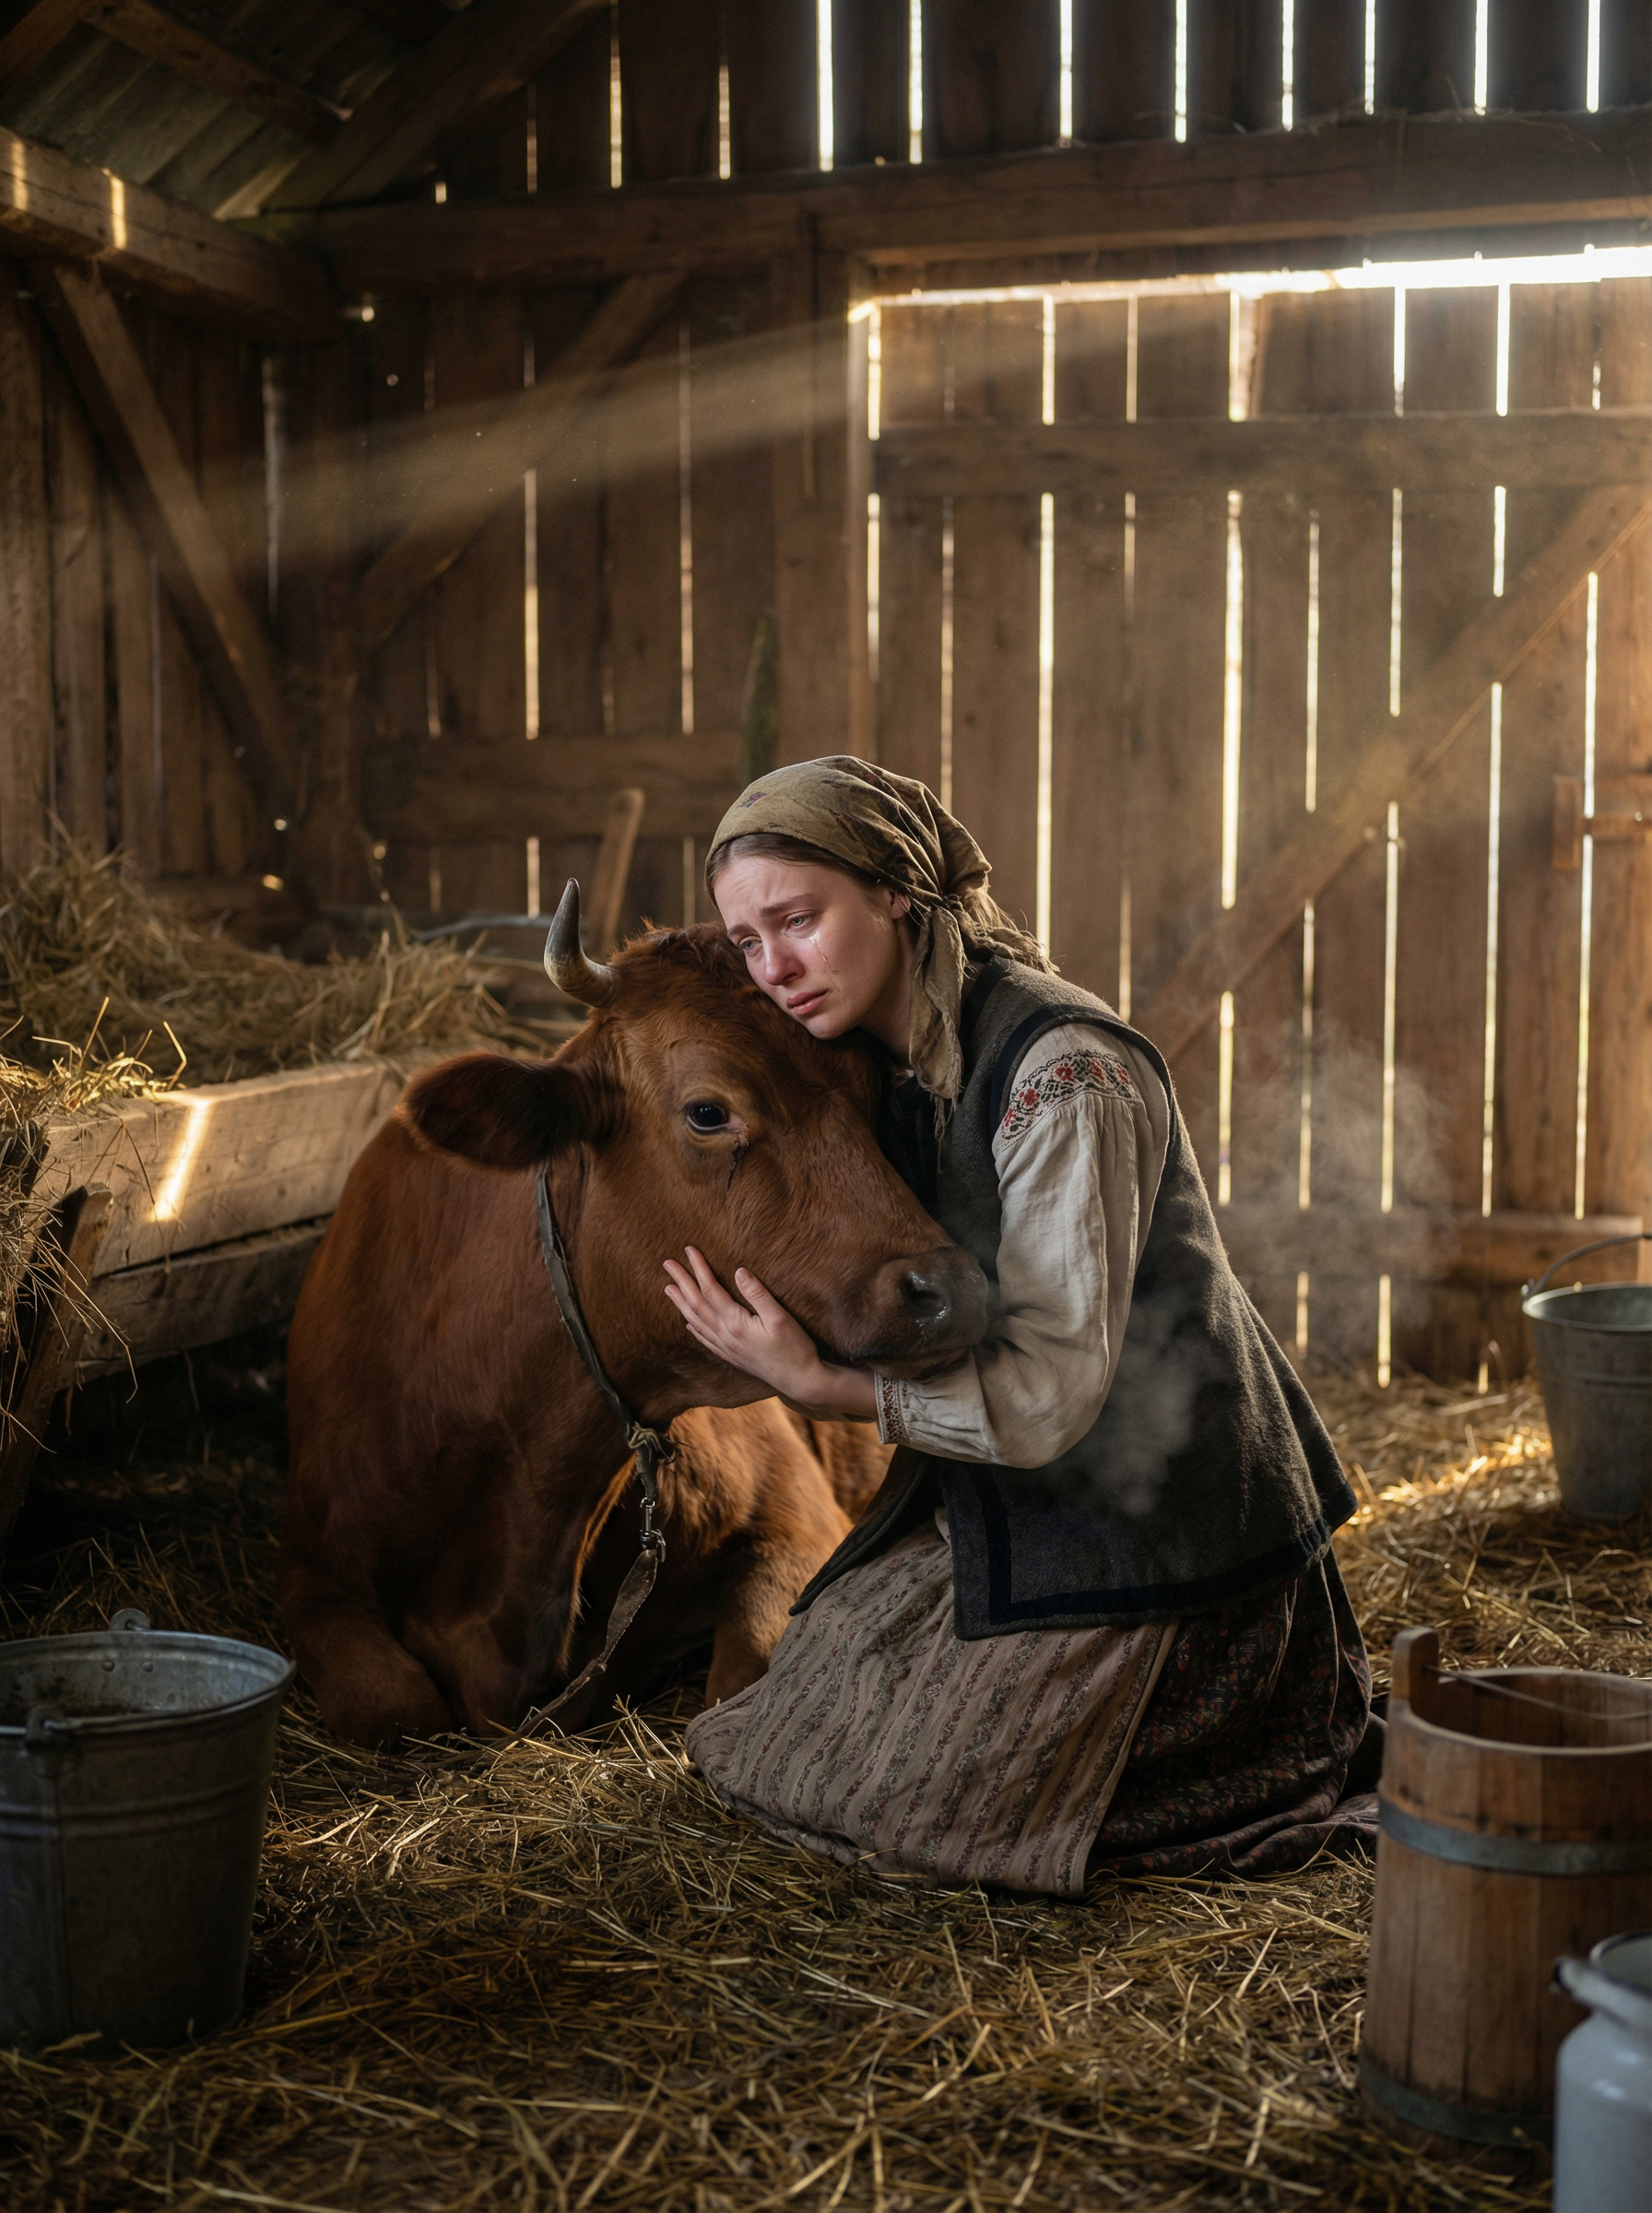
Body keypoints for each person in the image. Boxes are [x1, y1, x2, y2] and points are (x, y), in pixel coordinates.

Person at [664, 756, 1376, 1897]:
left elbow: (1046, 1392)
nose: (775, 967)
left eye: (797, 920)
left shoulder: (1066, 1073)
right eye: (749, 942)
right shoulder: (878, 1058)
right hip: (1016, 1499)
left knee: (909, 1809)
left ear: (896, 891)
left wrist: (819, 1386)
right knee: (774, 1736)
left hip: (1159, 1523)